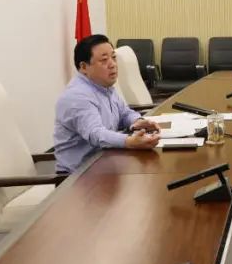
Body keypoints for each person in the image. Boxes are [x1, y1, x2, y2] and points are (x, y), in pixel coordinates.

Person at [54, 34, 160, 173]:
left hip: (105, 162)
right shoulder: (77, 96)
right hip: (78, 176)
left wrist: (137, 122)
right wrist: (129, 141)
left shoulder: (104, 86)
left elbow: (124, 113)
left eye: (113, 57)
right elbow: (96, 134)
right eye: (104, 60)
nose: (112, 64)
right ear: (84, 67)